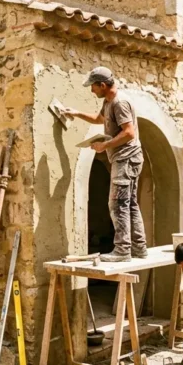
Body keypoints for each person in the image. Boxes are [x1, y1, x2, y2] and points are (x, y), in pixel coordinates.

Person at [63, 67, 147, 262]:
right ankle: (139, 248)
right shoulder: (108, 102)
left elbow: (129, 133)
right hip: (126, 158)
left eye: (93, 87)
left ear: (102, 85)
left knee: (117, 204)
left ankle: (122, 251)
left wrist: (105, 145)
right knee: (130, 204)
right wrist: (75, 113)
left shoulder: (120, 103)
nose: (92, 91)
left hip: (126, 158)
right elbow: (99, 119)